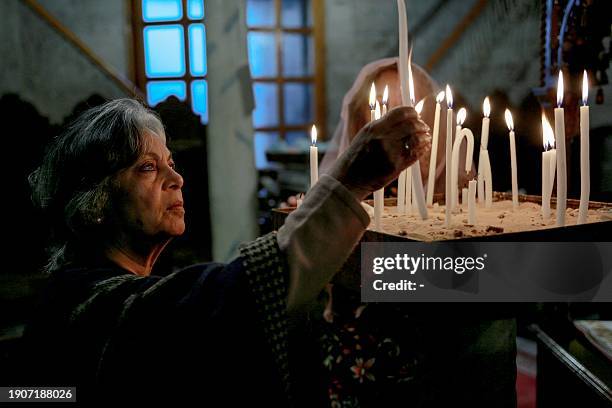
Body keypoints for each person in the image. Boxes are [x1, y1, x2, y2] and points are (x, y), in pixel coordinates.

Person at [18, 98, 430, 405]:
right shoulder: (84, 303)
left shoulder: (125, 289)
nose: (176, 178)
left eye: (171, 163)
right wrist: (346, 184)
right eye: (147, 167)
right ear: (94, 203)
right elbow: (226, 300)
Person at [311, 59, 517, 407]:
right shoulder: (338, 197)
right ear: (362, 122)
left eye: (409, 109)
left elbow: (506, 276)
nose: (397, 125)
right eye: (384, 110)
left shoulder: (463, 196)